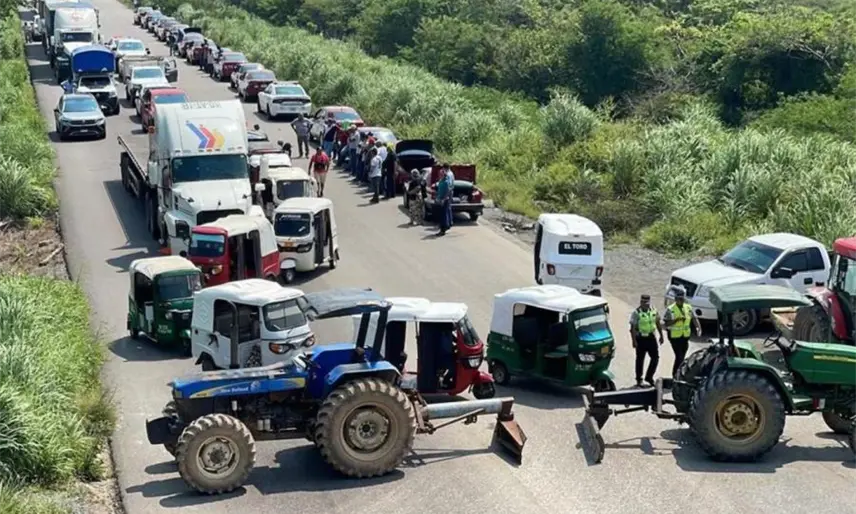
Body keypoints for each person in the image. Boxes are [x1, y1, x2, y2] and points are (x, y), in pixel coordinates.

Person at [663, 286, 702, 377]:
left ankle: (679, 373)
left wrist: (698, 328)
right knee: (679, 356)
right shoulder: (670, 309)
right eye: (679, 299)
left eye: (682, 299)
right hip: (674, 337)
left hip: (684, 336)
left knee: (682, 356)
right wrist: (676, 320)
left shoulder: (688, 307)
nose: (681, 301)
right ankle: (675, 375)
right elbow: (666, 324)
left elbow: (694, 318)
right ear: (676, 299)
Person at [629, 294, 663, 387]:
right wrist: (634, 341)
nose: (646, 305)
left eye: (647, 303)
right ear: (641, 302)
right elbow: (632, 329)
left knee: (655, 358)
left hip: (651, 337)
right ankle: (639, 379)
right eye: (644, 303)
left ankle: (649, 376)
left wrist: (661, 335)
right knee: (640, 359)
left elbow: (658, 322)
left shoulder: (653, 310)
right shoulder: (636, 313)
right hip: (641, 339)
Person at [435, 163, 455, 235]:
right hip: (442, 197)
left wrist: (445, 198)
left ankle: (444, 228)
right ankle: (447, 224)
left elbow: (449, 189)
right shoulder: (443, 179)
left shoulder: (447, 179)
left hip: (445, 197)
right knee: (445, 211)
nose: (440, 174)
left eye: (441, 173)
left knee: (444, 213)